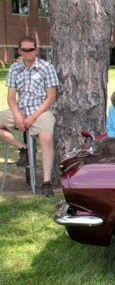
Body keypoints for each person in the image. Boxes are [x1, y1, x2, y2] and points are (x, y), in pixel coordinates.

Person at [0, 36, 60, 196]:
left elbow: (51, 97)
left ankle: (46, 182)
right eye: (25, 50)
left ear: (36, 50)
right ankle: (23, 147)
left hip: (42, 110)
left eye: (31, 49)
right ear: (19, 51)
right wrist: (17, 116)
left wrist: (32, 117)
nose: (29, 53)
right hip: (20, 109)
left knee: (46, 139)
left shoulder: (46, 67)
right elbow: (11, 97)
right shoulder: (14, 69)